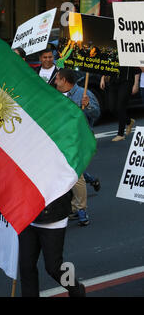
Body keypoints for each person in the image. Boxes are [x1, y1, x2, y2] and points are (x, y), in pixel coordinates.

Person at [54, 69, 100, 226]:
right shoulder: (56, 95)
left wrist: (87, 106)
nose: (55, 82)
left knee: (77, 174)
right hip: (63, 140)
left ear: (65, 81)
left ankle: (81, 209)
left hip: (80, 139)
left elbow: (96, 113)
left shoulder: (83, 93)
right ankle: (74, 207)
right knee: (68, 174)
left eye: (58, 79)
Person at [19, 192, 86, 297]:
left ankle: (76, 290)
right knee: (26, 266)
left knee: (54, 268)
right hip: (27, 215)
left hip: (53, 217)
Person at [100, 67, 141, 141]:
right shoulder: (113, 54)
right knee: (112, 108)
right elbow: (106, 63)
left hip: (127, 81)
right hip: (113, 81)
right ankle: (128, 121)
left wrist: (136, 83)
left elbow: (136, 67)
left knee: (120, 107)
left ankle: (120, 134)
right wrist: (102, 78)